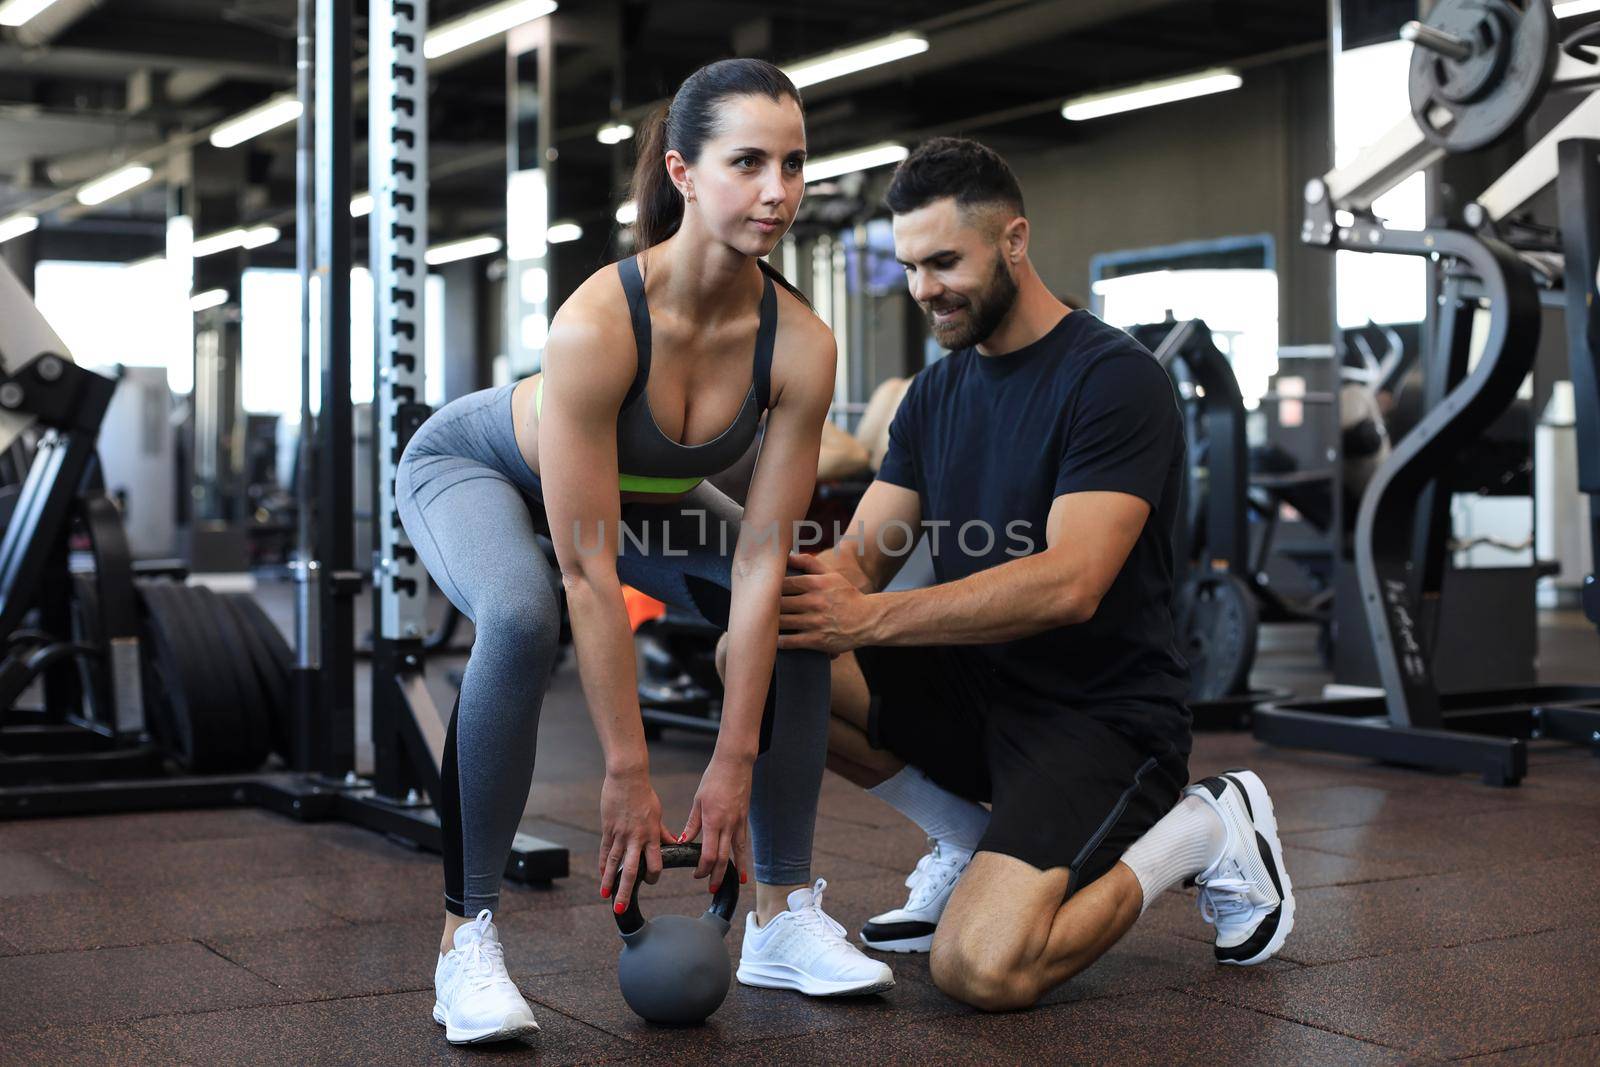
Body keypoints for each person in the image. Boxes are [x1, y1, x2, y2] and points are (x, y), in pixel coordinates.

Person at [397, 58, 892, 1046]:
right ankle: (466, 937)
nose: (776, 191)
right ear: (681, 171)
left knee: (794, 601)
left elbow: (760, 555)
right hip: (481, 469)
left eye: (792, 164)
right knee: (525, 610)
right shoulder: (599, 320)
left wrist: (731, 759)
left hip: (647, 500)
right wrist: (627, 768)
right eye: (746, 162)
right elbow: (585, 567)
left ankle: (781, 914)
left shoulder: (798, 343)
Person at [770, 137, 1295, 1011]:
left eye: (944, 261)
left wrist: (862, 621)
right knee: (768, 664)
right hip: (986, 696)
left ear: (1014, 240)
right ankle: (968, 841)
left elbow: (1069, 582)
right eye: (909, 266)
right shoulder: (937, 396)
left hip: (1100, 714)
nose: (923, 289)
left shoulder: (1112, 379)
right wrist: (772, 583)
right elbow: (862, 559)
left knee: (981, 969)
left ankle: (1204, 828)